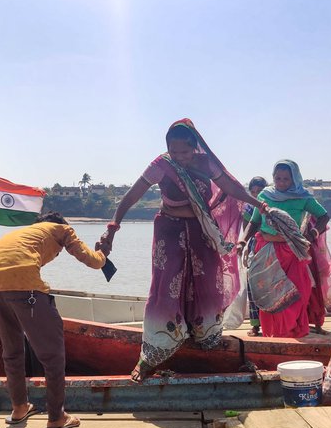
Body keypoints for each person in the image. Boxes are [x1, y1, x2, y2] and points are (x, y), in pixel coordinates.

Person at [97, 119, 267, 383]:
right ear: (168, 149)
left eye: (185, 152)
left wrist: (259, 204)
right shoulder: (161, 165)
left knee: (206, 281)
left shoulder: (205, 163)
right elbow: (132, 196)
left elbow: (231, 188)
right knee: (167, 286)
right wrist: (113, 225)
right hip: (169, 229)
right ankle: (151, 355)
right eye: (175, 152)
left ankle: (202, 335)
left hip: (201, 230)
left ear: (194, 148)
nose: (180, 158)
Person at [0, 212, 108, 428]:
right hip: (24, 284)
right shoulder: (62, 229)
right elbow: (92, 261)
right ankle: (57, 417)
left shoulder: (23, 233)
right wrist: (103, 255)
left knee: (12, 352)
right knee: (53, 356)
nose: (56, 255)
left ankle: (19, 408)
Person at [239, 160, 329, 338]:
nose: (281, 183)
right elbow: (255, 221)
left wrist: (314, 233)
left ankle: (292, 330)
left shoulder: (303, 197)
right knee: (270, 292)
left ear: (294, 179)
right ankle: (273, 333)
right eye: (277, 178)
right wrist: (242, 241)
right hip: (267, 250)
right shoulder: (265, 195)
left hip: (292, 251)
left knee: (298, 292)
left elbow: (324, 216)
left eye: (286, 179)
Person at [238, 176, 268, 336]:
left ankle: (271, 323)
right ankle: (256, 325)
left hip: (270, 248)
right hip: (254, 249)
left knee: (270, 286)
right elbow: (246, 233)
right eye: (253, 191)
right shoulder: (249, 209)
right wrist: (244, 251)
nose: (256, 195)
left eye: (260, 191)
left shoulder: (270, 206)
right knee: (253, 287)